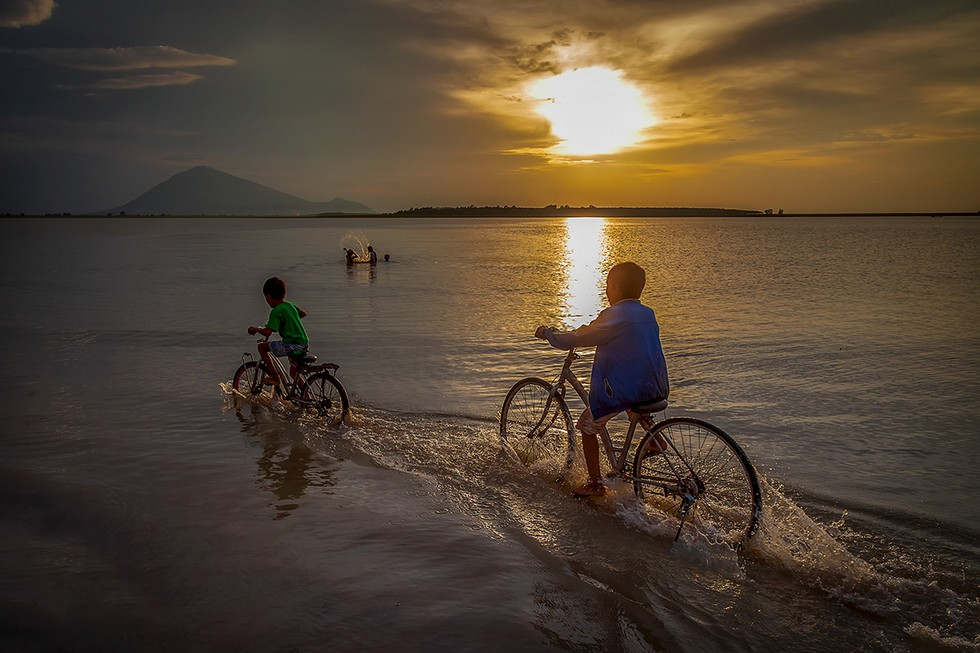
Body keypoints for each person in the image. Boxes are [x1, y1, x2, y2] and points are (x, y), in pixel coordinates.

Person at [535, 262, 669, 497]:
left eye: (608, 286)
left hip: (628, 390)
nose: (606, 291)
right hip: (656, 386)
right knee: (632, 408)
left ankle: (595, 483)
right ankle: (655, 439)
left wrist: (549, 334)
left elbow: (581, 337)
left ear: (615, 288)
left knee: (587, 424)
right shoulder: (647, 313)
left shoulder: (615, 314)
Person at [247, 276, 309, 388]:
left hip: (292, 345)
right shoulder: (289, 305)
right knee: (293, 373)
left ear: (269, 296)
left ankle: (275, 378)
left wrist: (255, 329)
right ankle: (307, 396)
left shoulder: (276, 311)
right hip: (303, 343)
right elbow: (303, 313)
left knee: (262, 347)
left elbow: (267, 332)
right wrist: (290, 320)